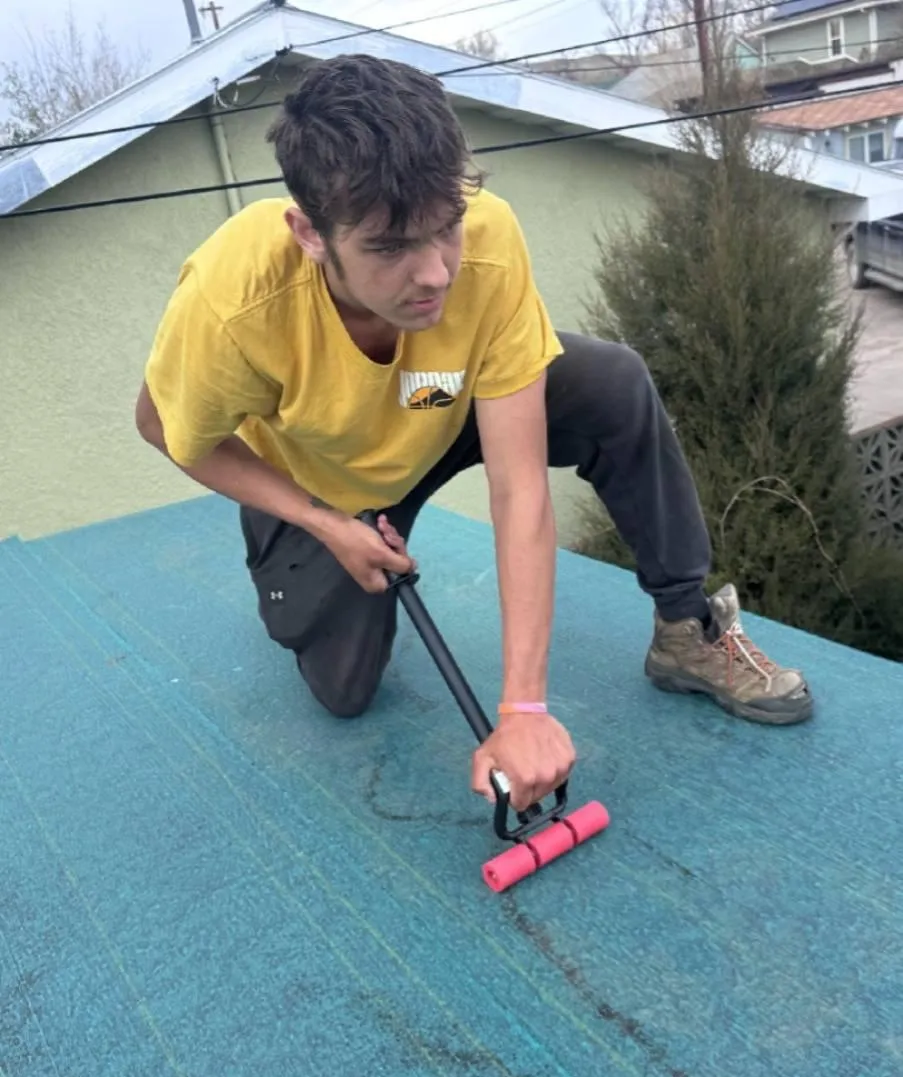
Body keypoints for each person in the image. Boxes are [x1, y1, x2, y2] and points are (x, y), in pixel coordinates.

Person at [135, 53, 813, 814]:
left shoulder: (486, 243)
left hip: (449, 409)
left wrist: (522, 709)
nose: (434, 274)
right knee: (344, 691)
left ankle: (685, 628)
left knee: (609, 380)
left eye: (446, 227)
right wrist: (322, 524)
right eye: (389, 247)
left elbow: (518, 486)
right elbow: (164, 427)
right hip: (326, 479)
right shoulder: (236, 300)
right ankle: (304, 554)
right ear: (310, 233)